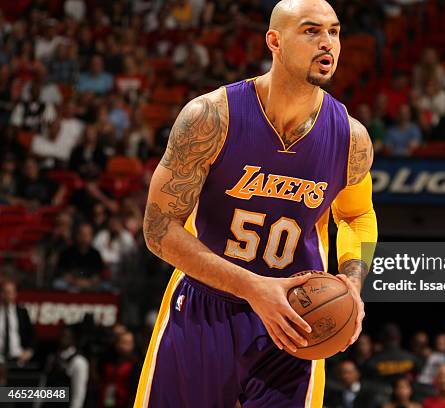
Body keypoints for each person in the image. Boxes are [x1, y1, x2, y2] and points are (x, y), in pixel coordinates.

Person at [135, 1, 378, 406]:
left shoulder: (352, 139)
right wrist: (254, 288)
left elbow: (357, 215)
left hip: (297, 321)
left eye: (334, 32)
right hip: (203, 307)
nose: (328, 43)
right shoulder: (210, 117)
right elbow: (159, 231)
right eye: (311, 31)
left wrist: (352, 284)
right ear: (275, 41)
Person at [42, 328, 88, 408]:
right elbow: (44, 385)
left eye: (67, 336)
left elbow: (78, 393)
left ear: (73, 339)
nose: (63, 339)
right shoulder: (52, 358)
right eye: (62, 336)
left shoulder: (78, 361)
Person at [0, 280, 36, 367]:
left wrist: (29, 352)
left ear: (15, 294)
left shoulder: (22, 312)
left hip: (18, 359)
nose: (8, 295)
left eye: (10, 292)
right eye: (5, 292)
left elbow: (32, 335)